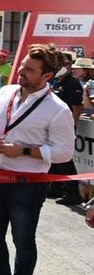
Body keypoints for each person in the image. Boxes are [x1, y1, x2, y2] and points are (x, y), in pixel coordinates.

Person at [0, 44, 75, 275]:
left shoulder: (58, 109)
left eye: (29, 69)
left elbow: (65, 152)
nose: (21, 72)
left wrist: (25, 150)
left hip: (29, 185)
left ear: (48, 75)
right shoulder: (6, 92)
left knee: (23, 240)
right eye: (22, 66)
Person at [46, 52, 84, 206]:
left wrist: (71, 126)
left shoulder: (72, 83)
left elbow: (77, 107)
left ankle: (72, 193)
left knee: (65, 162)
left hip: (64, 128)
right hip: (52, 127)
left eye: (66, 64)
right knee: (53, 160)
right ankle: (56, 188)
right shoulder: (56, 81)